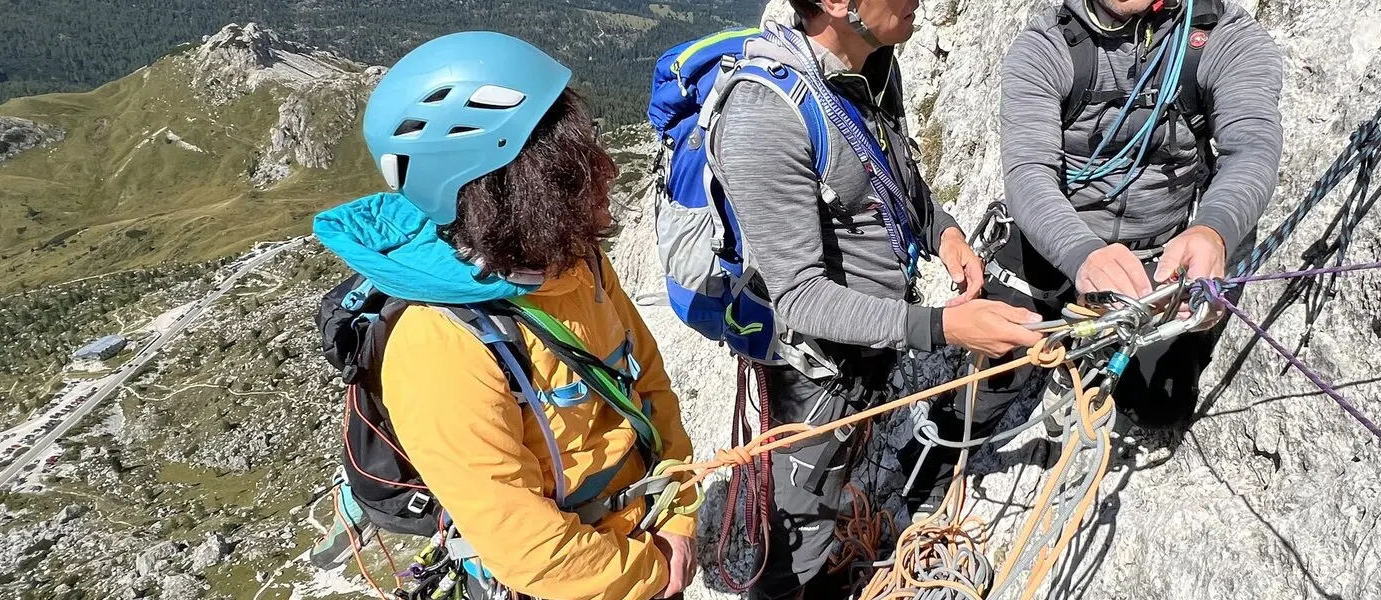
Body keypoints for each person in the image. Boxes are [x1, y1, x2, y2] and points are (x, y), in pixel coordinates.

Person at [314, 32, 697, 600]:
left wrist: (677, 517)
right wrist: (651, 573)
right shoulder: (439, 345)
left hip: (640, 544)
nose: (608, 169)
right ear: (509, 188)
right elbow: (524, 544)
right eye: (573, 166)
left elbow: (648, 387)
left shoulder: (573, 263)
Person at [707, 0, 1045, 597]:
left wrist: (943, 232)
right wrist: (943, 328)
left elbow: (891, 178)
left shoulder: (869, 68)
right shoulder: (764, 113)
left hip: (872, 342)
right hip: (815, 375)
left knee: (838, 489)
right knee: (796, 537)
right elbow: (801, 298)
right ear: (839, 5)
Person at [902, 0, 1283, 510]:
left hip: (1157, 253)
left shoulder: (1220, 36)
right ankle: (934, 463)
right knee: (993, 368)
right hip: (1055, 241)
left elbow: (1252, 149)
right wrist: (1082, 254)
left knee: (1159, 403)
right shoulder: (1049, 43)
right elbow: (1029, 174)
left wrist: (1213, 232)